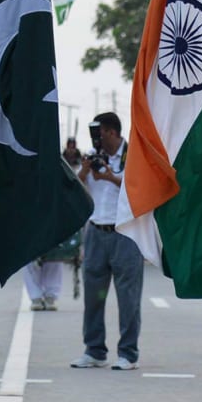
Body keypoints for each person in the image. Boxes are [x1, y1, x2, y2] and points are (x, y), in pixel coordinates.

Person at [71, 112, 141, 370]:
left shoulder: (133, 154)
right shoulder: (92, 155)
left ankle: (128, 353)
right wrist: (85, 170)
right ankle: (94, 350)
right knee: (93, 296)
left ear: (112, 132)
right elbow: (77, 191)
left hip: (125, 233)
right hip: (97, 232)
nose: (98, 139)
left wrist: (110, 177)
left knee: (128, 297)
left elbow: (138, 188)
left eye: (100, 134)